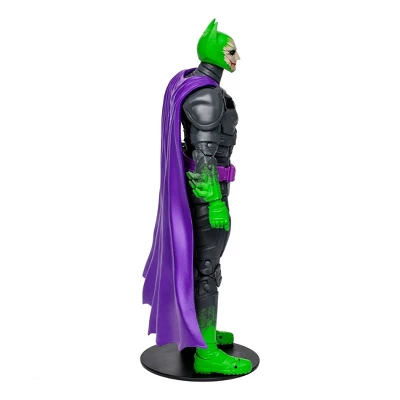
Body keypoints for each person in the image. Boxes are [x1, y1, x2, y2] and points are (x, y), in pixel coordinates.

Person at [142, 19, 252, 375]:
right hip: (208, 196)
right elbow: (204, 155)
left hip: (206, 193)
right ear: (214, 53)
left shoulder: (195, 84)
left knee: (203, 267)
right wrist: (215, 202)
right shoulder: (207, 95)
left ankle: (199, 331)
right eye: (230, 51)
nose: (237, 57)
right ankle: (206, 354)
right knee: (207, 269)